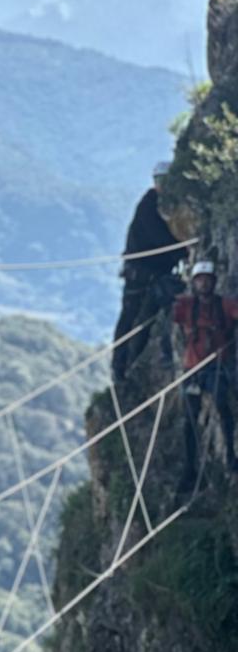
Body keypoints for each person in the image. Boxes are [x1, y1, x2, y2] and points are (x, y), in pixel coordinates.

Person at [112, 161, 188, 383]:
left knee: (150, 320)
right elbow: (159, 238)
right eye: (158, 180)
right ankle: (119, 366)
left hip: (158, 274)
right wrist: (184, 252)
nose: (161, 185)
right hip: (141, 273)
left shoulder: (168, 205)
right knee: (131, 319)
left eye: (164, 180)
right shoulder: (149, 204)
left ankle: (138, 362)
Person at [173, 259, 238, 491]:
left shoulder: (225, 305)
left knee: (222, 404)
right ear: (194, 283)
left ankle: (230, 455)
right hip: (193, 369)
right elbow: (171, 310)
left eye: (206, 280)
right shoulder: (187, 306)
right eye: (199, 280)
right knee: (189, 420)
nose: (203, 284)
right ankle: (190, 469)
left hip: (217, 366)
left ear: (213, 281)